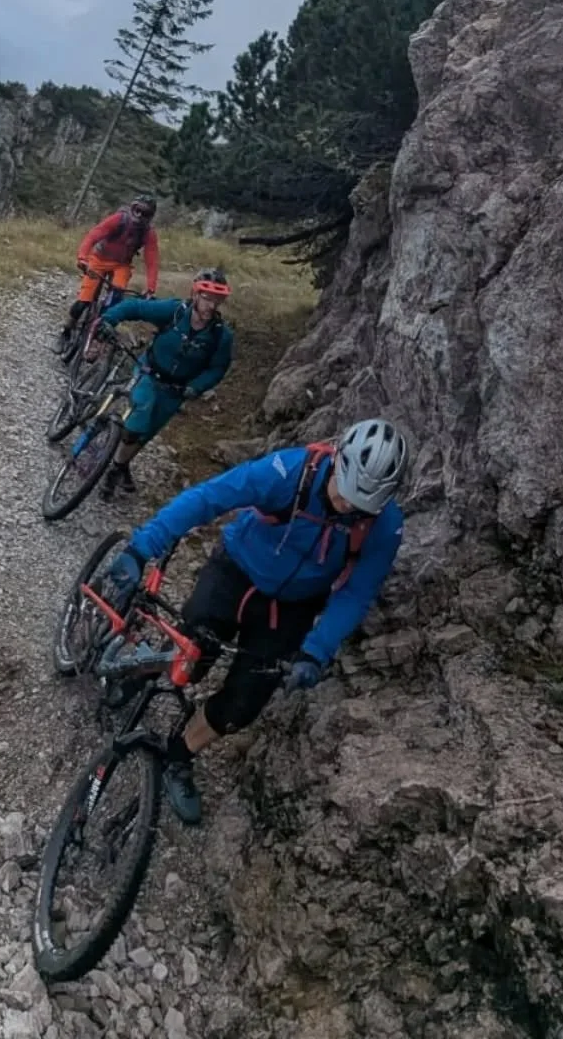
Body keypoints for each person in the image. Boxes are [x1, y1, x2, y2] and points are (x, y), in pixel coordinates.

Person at [104, 418, 409, 823]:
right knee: (192, 655)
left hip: (293, 606)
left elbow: (356, 593)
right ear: (337, 459)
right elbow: (210, 498)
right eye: (345, 494)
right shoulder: (289, 472)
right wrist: (143, 547)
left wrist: (315, 652)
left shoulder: (384, 526)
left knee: (243, 704)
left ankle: (178, 756)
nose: (347, 507)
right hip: (235, 573)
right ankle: (140, 670)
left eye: (361, 506)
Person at [96, 268, 233, 498]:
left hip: (175, 390)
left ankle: (119, 466)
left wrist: (196, 387)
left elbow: (218, 368)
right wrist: (109, 319)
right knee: (140, 413)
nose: (210, 305)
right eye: (206, 298)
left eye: (216, 300)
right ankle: (113, 468)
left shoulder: (221, 336)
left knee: (145, 433)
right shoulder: (175, 312)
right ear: (195, 294)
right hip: (149, 372)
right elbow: (135, 307)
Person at [56, 195, 160, 352]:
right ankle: (66, 331)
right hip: (98, 259)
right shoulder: (119, 219)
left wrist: (151, 288)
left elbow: (152, 260)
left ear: (150, 217)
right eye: (137, 210)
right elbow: (93, 235)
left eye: (144, 213)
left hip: (121, 265)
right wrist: (83, 257)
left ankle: (99, 333)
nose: (139, 215)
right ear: (132, 208)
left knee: (115, 298)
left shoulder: (148, 233)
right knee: (84, 300)